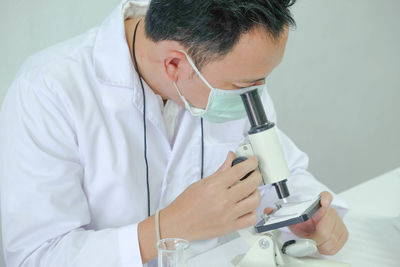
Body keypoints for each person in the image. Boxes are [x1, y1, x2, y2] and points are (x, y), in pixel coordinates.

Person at [0, 0, 349, 266]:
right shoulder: (47, 92)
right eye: (244, 85)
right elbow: (35, 255)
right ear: (175, 65)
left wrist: (305, 218)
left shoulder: (231, 73)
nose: (255, 95)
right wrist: (166, 229)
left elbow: (284, 177)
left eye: (261, 80)